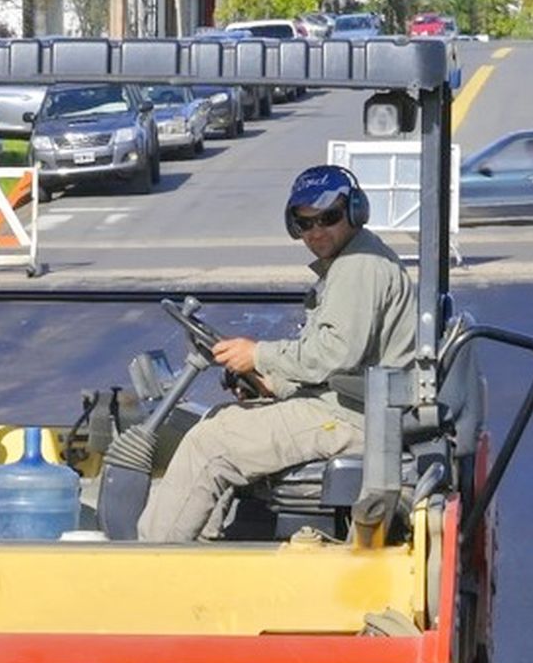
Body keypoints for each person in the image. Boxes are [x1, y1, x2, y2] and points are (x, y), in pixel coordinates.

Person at [136, 165, 416, 543]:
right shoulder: (354, 261)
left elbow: (334, 353)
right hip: (354, 402)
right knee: (220, 419)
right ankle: (201, 551)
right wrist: (274, 382)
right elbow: (336, 361)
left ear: (354, 212)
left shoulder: (358, 267)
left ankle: (151, 563)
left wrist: (259, 356)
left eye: (328, 218)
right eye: (305, 224)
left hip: (355, 416)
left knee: (210, 446)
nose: (317, 231)